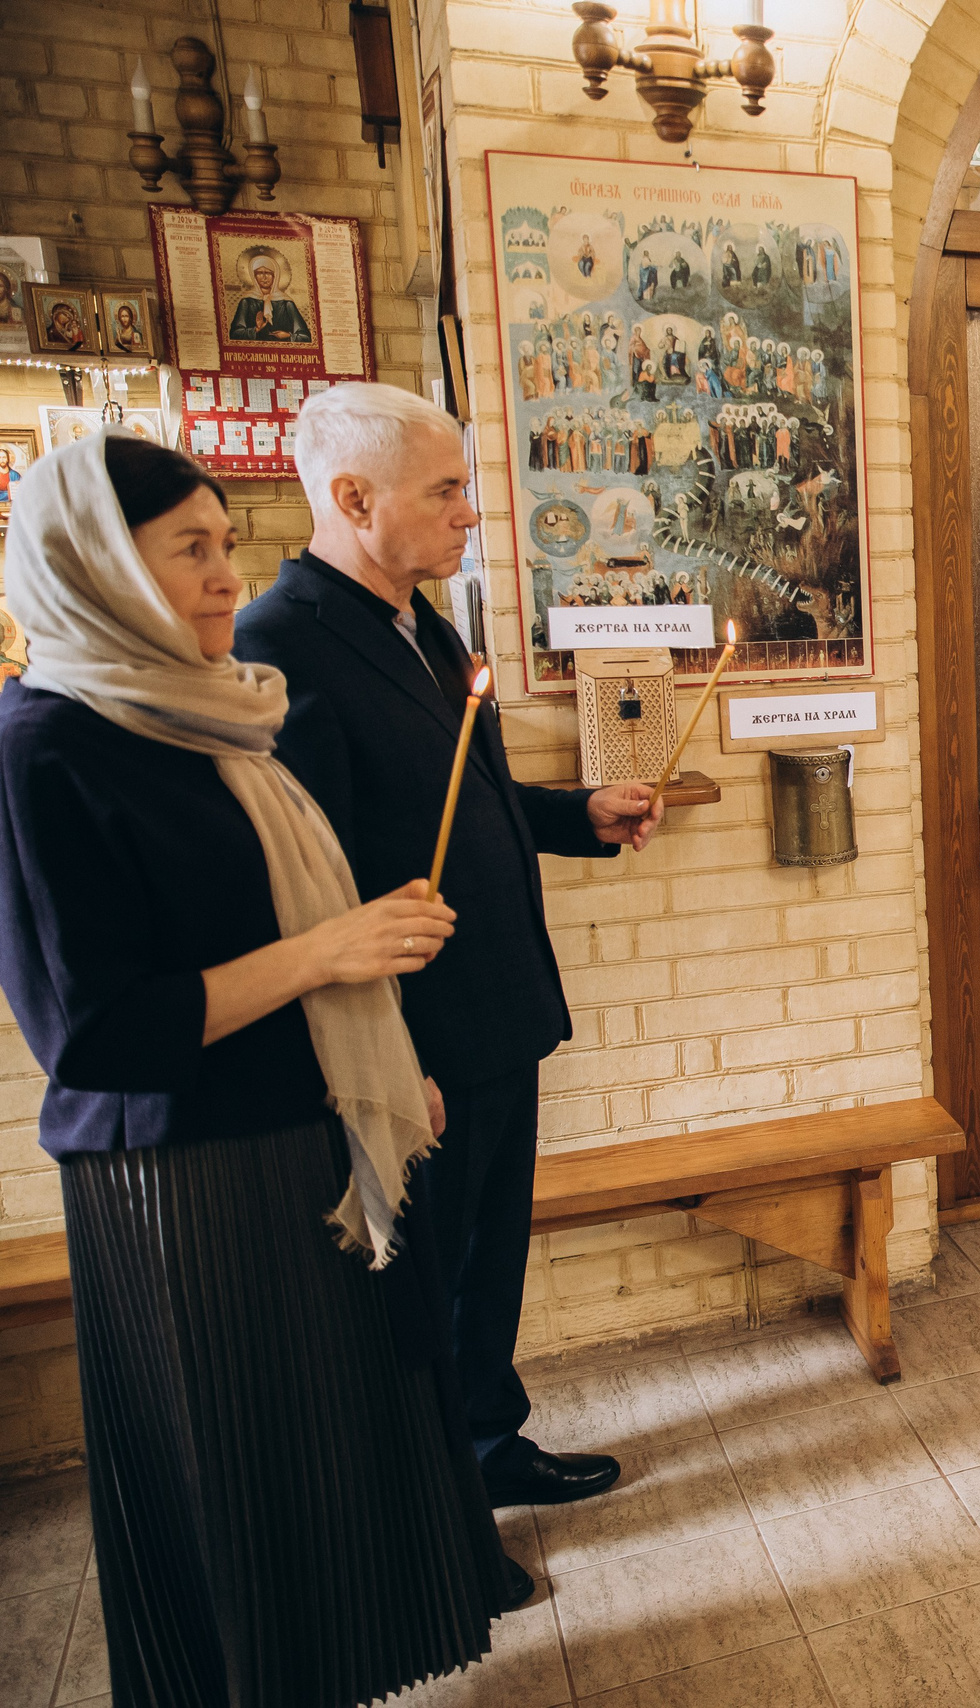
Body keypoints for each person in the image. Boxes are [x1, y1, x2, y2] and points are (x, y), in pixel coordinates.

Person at [0, 434, 519, 1703]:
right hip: (186, 1181)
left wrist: (382, 1058)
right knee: (245, 1491)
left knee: (332, 1468)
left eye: (227, 543)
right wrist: (329, 951)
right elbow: (96, 1034)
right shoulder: (43, 744)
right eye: (190, 549)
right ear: (96, 565)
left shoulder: (213, 709)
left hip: (305, 1130)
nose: (227, 576)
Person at [234, 383, 663, 1510]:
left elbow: (465, 796)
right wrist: (388, 1056)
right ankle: (438, 1504)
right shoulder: (280, 647)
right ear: (352, 497)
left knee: (485, 1257)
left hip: (492, 1005)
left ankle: (486, 1441)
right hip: (414, 1033)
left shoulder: (418, 618)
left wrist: (581, 817)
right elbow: (309, 877)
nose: (470, 512)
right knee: (424, 1278)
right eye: (447, 490)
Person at [228, 253, 314, 343]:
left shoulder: (286, 303)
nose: (264, 277)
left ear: (275, 276)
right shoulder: (246, 302)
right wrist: (255, 330)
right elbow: (234, 334)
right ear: (254, 276)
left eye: (268, 273)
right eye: (260, 273)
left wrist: (288, 336)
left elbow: (305, 337)